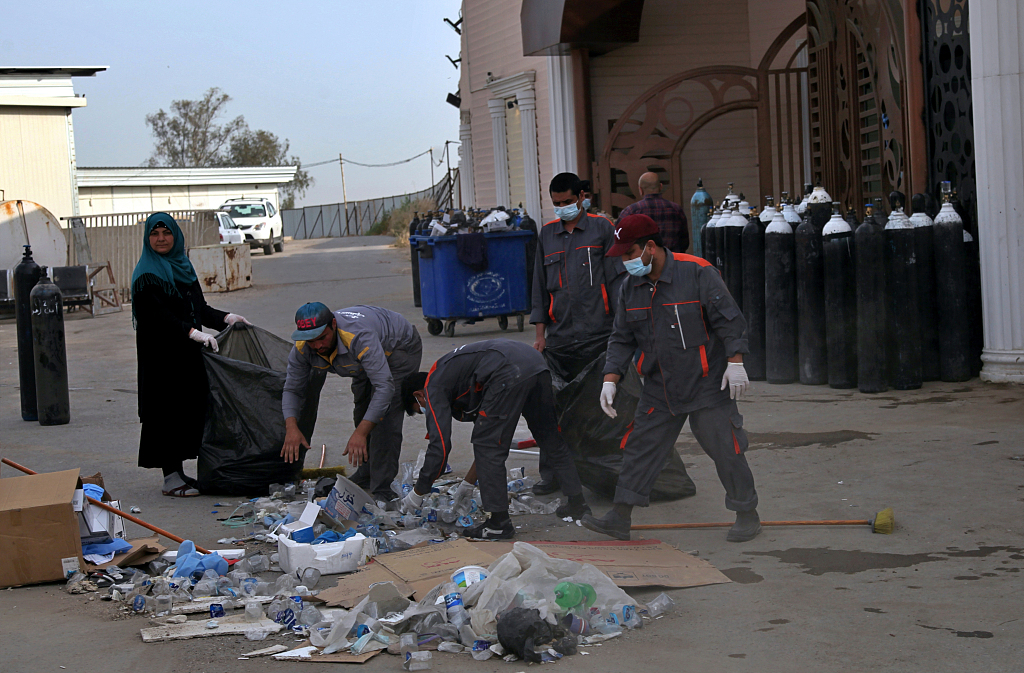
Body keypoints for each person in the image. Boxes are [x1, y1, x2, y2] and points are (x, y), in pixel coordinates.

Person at [581, 214, 761, 542]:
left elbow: (730, 321)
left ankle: (746, 512)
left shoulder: (697, 272)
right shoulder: (629, 288)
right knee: (639, 448)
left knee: (725, 446)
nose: (625, 262)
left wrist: (735, 361)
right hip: (659, 385)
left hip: (706, 383)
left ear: (651, 246)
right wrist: (611, 378)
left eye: (629, 253)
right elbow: (621, 338)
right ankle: (619, 517)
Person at [398, 339, 591, 539]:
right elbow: (489, 430)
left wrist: (418, 492)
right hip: (534, 363)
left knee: (488, 445)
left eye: (421, 409)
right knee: (549, 437)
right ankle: (578, 503)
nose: (426, 411)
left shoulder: (434, 386)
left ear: (419, 395)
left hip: (508, 370)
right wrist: (468, 483)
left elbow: (440, 447)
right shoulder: (456, 376)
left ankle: (498, 523)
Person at [132, 212, 251, 497]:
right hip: (161, 358)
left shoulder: (183, 267)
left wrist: (226, 318)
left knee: (188, 410)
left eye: (166, 233)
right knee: (165, 412)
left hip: (187, 356)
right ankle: (170, 477)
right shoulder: (147, 274)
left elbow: (200, 309)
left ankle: (180, 473)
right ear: (148, 239)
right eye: (155, 234)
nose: (161, 239)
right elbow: (157, 318)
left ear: (176, 236)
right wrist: (191, 333)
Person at [531, 172, 625, 496]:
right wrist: (541, 335)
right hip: (560, 339)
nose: (562, 208)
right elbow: (539, 289)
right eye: (556, 204)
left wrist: (622, 330)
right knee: (552, 409)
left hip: (599, 335)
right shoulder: (546, 235)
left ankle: (605, 476)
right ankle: (553, 475)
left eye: (568, 202)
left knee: (601, 409)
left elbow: (616, 282)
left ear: (581, 197)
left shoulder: (601, 229)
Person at [282, 303, 422, 502]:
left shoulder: (358, 337)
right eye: (311, 341)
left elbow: (384, 388)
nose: (318, 346)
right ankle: (366, 473)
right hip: (362, 358)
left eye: (322, 338)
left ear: (333, 325)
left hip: (398, 348)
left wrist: (361, 433)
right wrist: (291, 427)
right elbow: (292, 389)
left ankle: (383, 487)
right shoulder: (303, 347)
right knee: (362, 409)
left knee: (385, 416)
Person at [617, 172, 690, 253]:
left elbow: (618, 238)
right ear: (661, 187)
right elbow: (684, 242)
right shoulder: (676, 209)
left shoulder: (631, 211)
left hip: (643, 261)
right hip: (672, 260)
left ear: (640, 190)